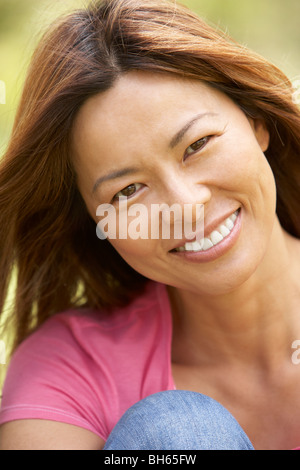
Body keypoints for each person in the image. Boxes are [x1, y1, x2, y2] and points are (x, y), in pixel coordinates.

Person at [0, 0, 300, 451]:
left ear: (255, 121)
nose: (186, 206)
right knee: (173, 436)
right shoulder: (72, 367)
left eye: (198, 144)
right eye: (126, 192)